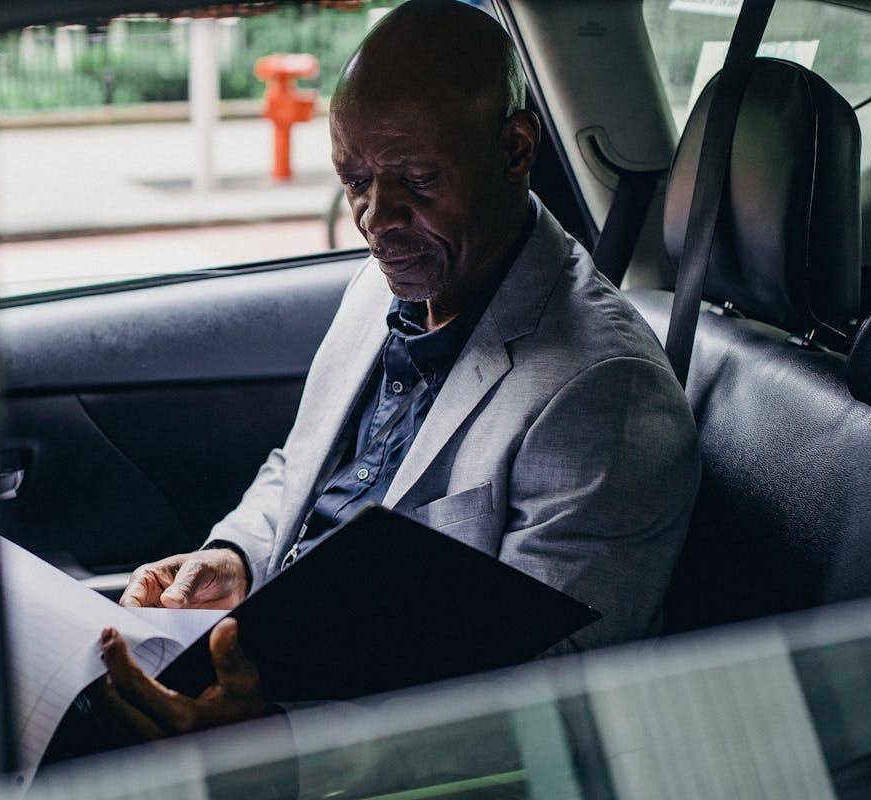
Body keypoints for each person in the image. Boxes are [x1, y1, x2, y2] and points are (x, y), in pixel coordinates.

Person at [94, 0, 699, 744]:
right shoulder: (388, 282)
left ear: (514, 150)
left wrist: (277, 741)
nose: (377, 220)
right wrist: (237, 559)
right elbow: (300, 466)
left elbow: (548, 688)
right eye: (355, 181)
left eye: (417, 179)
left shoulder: (605, 392)